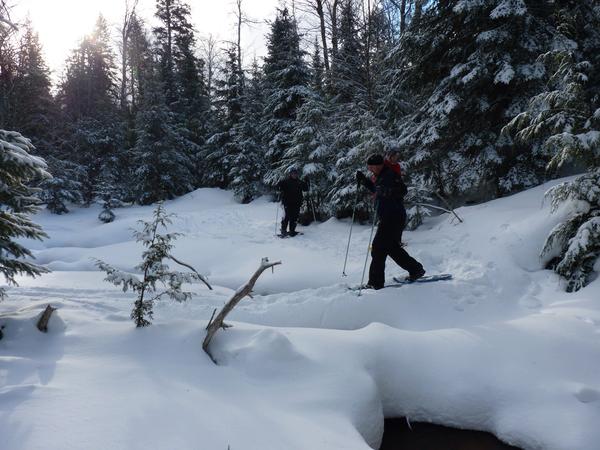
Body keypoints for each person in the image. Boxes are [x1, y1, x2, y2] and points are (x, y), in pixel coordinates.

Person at [356, 153, 425, 289]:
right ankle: (416, 270)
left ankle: (375, 283)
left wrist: (389, 192)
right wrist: (364, 181)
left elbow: (402, 190)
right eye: (369, 167)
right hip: (389, 217)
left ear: (380, 165)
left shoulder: (390, 175)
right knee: (392, 248)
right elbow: (377, 190)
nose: (370, 169)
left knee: (378, 249)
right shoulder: (381, 175)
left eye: (372, 166)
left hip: (392, 217)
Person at [277, 168, 309, 236]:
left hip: (297, 203)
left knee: (294, 217)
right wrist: (279, 186)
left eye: (295, 174)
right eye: (293, 173)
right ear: (290, 174)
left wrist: (307, 182)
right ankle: (283, 230)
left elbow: (306, 189)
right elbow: (278, 187)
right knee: (287, 216)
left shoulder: (299, 182)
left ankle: (292, 231)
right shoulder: (286, 181)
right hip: (287, 202)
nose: (294, 175)